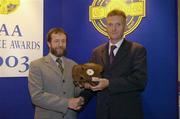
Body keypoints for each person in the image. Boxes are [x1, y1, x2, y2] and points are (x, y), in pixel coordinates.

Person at [80, 9, 147, 119]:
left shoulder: (137, 50)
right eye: (110, 24)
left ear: (125, 27)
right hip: (103, 114)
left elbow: (139, 81)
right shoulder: (96, 52)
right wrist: (82, 99)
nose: (114, 29)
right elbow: (92, 81)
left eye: (118, 24)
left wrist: (109, 83)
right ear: (106, 27)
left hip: (128, 114)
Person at [28, 28, 84, 119]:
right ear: (49, 44)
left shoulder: (73, 65)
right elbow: (36, 96)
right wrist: (67, 103)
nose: (60, 44)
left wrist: (85, 85)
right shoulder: (36, 65)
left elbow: (76, 91)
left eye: (63, 41)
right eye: (56, 41)